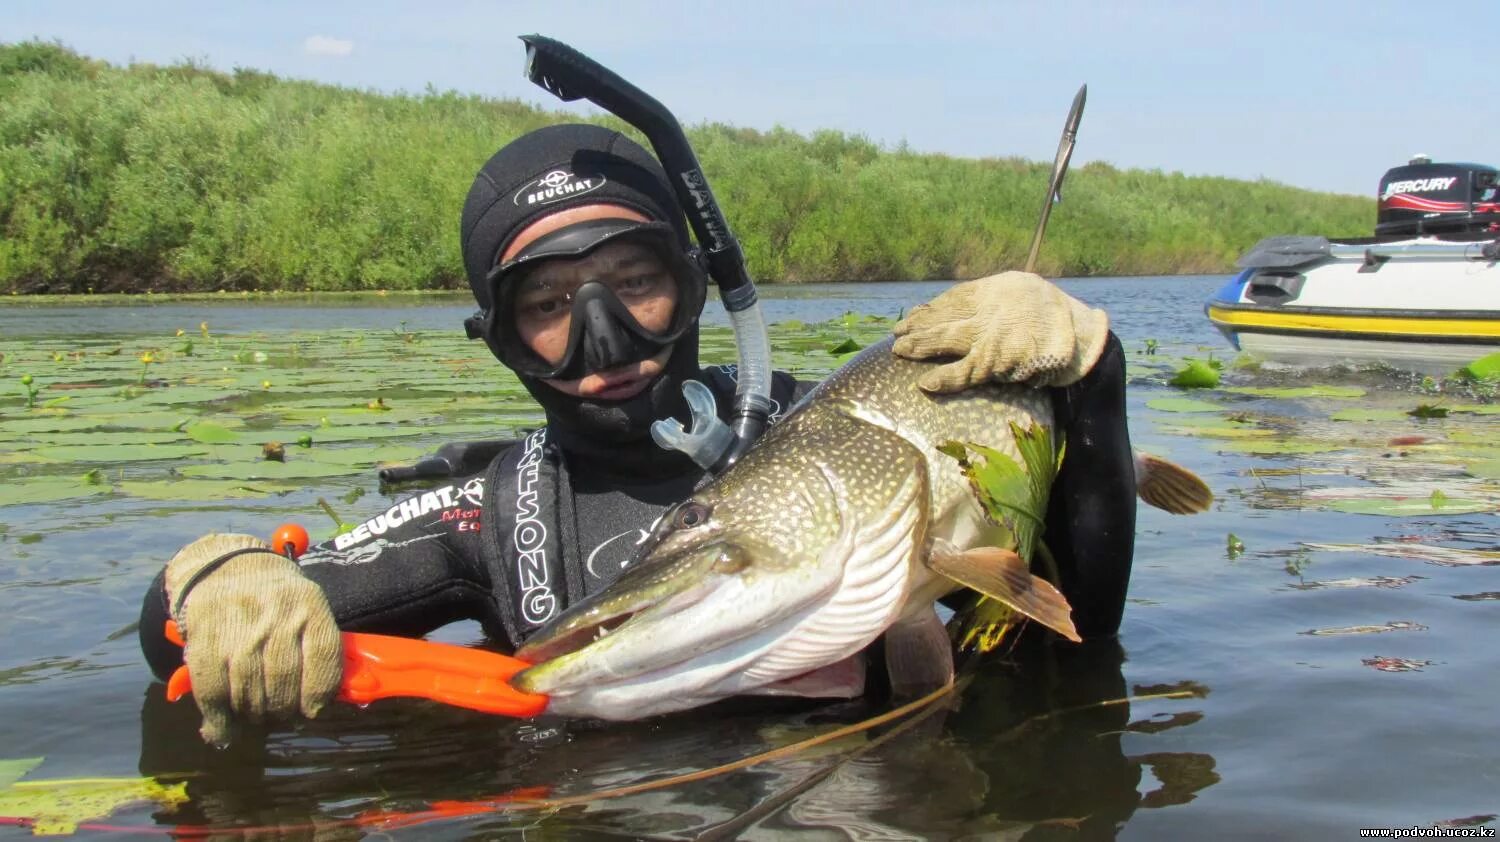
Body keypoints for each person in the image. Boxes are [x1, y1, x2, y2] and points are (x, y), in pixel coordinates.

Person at [138, 124, 1135, 744]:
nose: (605, 337)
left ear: (693, 290)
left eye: (638, 283)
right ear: (502, 339)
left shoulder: (822, 426)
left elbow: (1083, 647)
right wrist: (220, 577)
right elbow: (169, 636)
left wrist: (1095, 382)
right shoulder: (490, 516)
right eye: (549, 302)